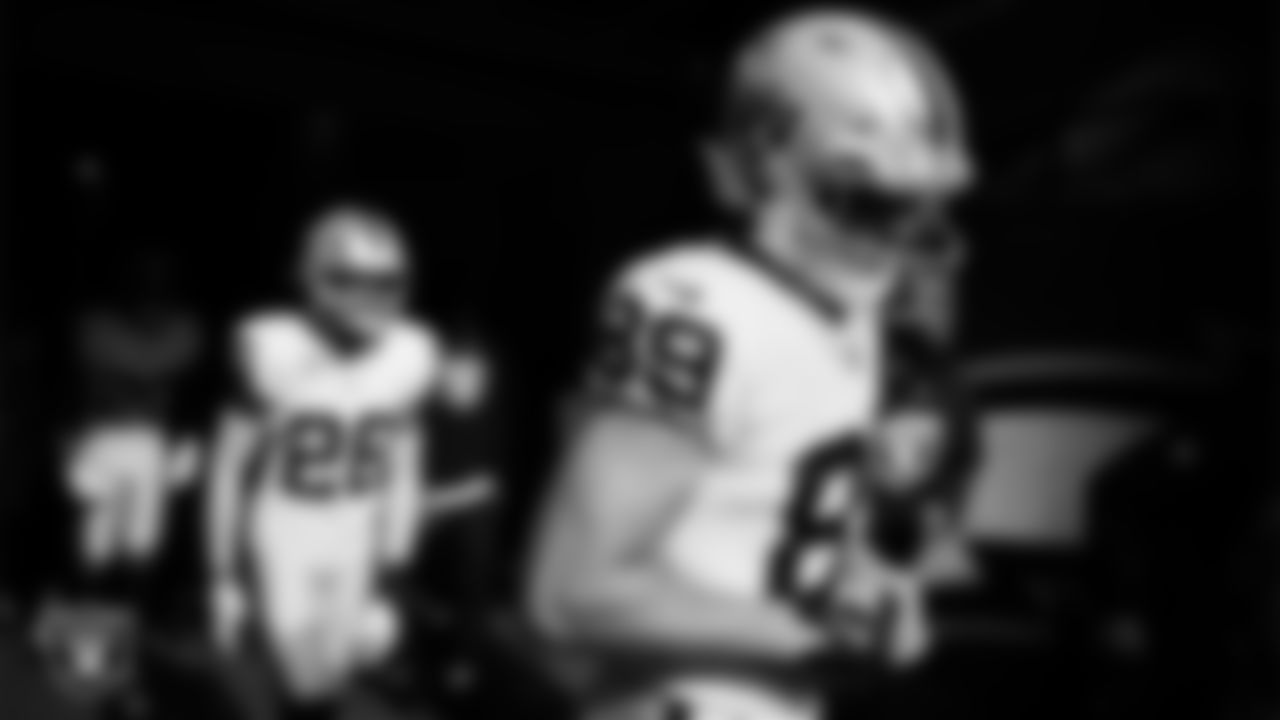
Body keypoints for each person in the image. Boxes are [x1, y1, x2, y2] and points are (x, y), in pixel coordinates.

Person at [525, 7, 974, 720]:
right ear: (768, 166)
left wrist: (869, 588)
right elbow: (573, 593)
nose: (899, 229)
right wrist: (817, 635)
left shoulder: (841, 318)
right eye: (870, 199)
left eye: (914, 203)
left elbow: (783, 514)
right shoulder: (696, 306)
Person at [204, 203, 441, 720]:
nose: (369, 296)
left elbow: (404, 474)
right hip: (284, 533)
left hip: (356, 538)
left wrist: (393, 578)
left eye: (384, 282)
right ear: (312, 276)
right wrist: (222, 573)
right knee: (304, 685)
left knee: (330, 685)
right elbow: (227, 468)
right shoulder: (269, 347)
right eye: (351, 279)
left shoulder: (411, 353)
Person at [34, 247, 204, 716]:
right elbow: (58, 388)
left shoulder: (187, 328)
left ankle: (124, 662)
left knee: (140, 561)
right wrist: (64, 448)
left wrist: (190, 442)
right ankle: (86, 660)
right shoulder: (91, 326)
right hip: (98, 443)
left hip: (151, 448)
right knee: (92, 560)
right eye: (142, 274)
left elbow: (193, 392)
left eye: (160, 275)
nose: (151, 284)